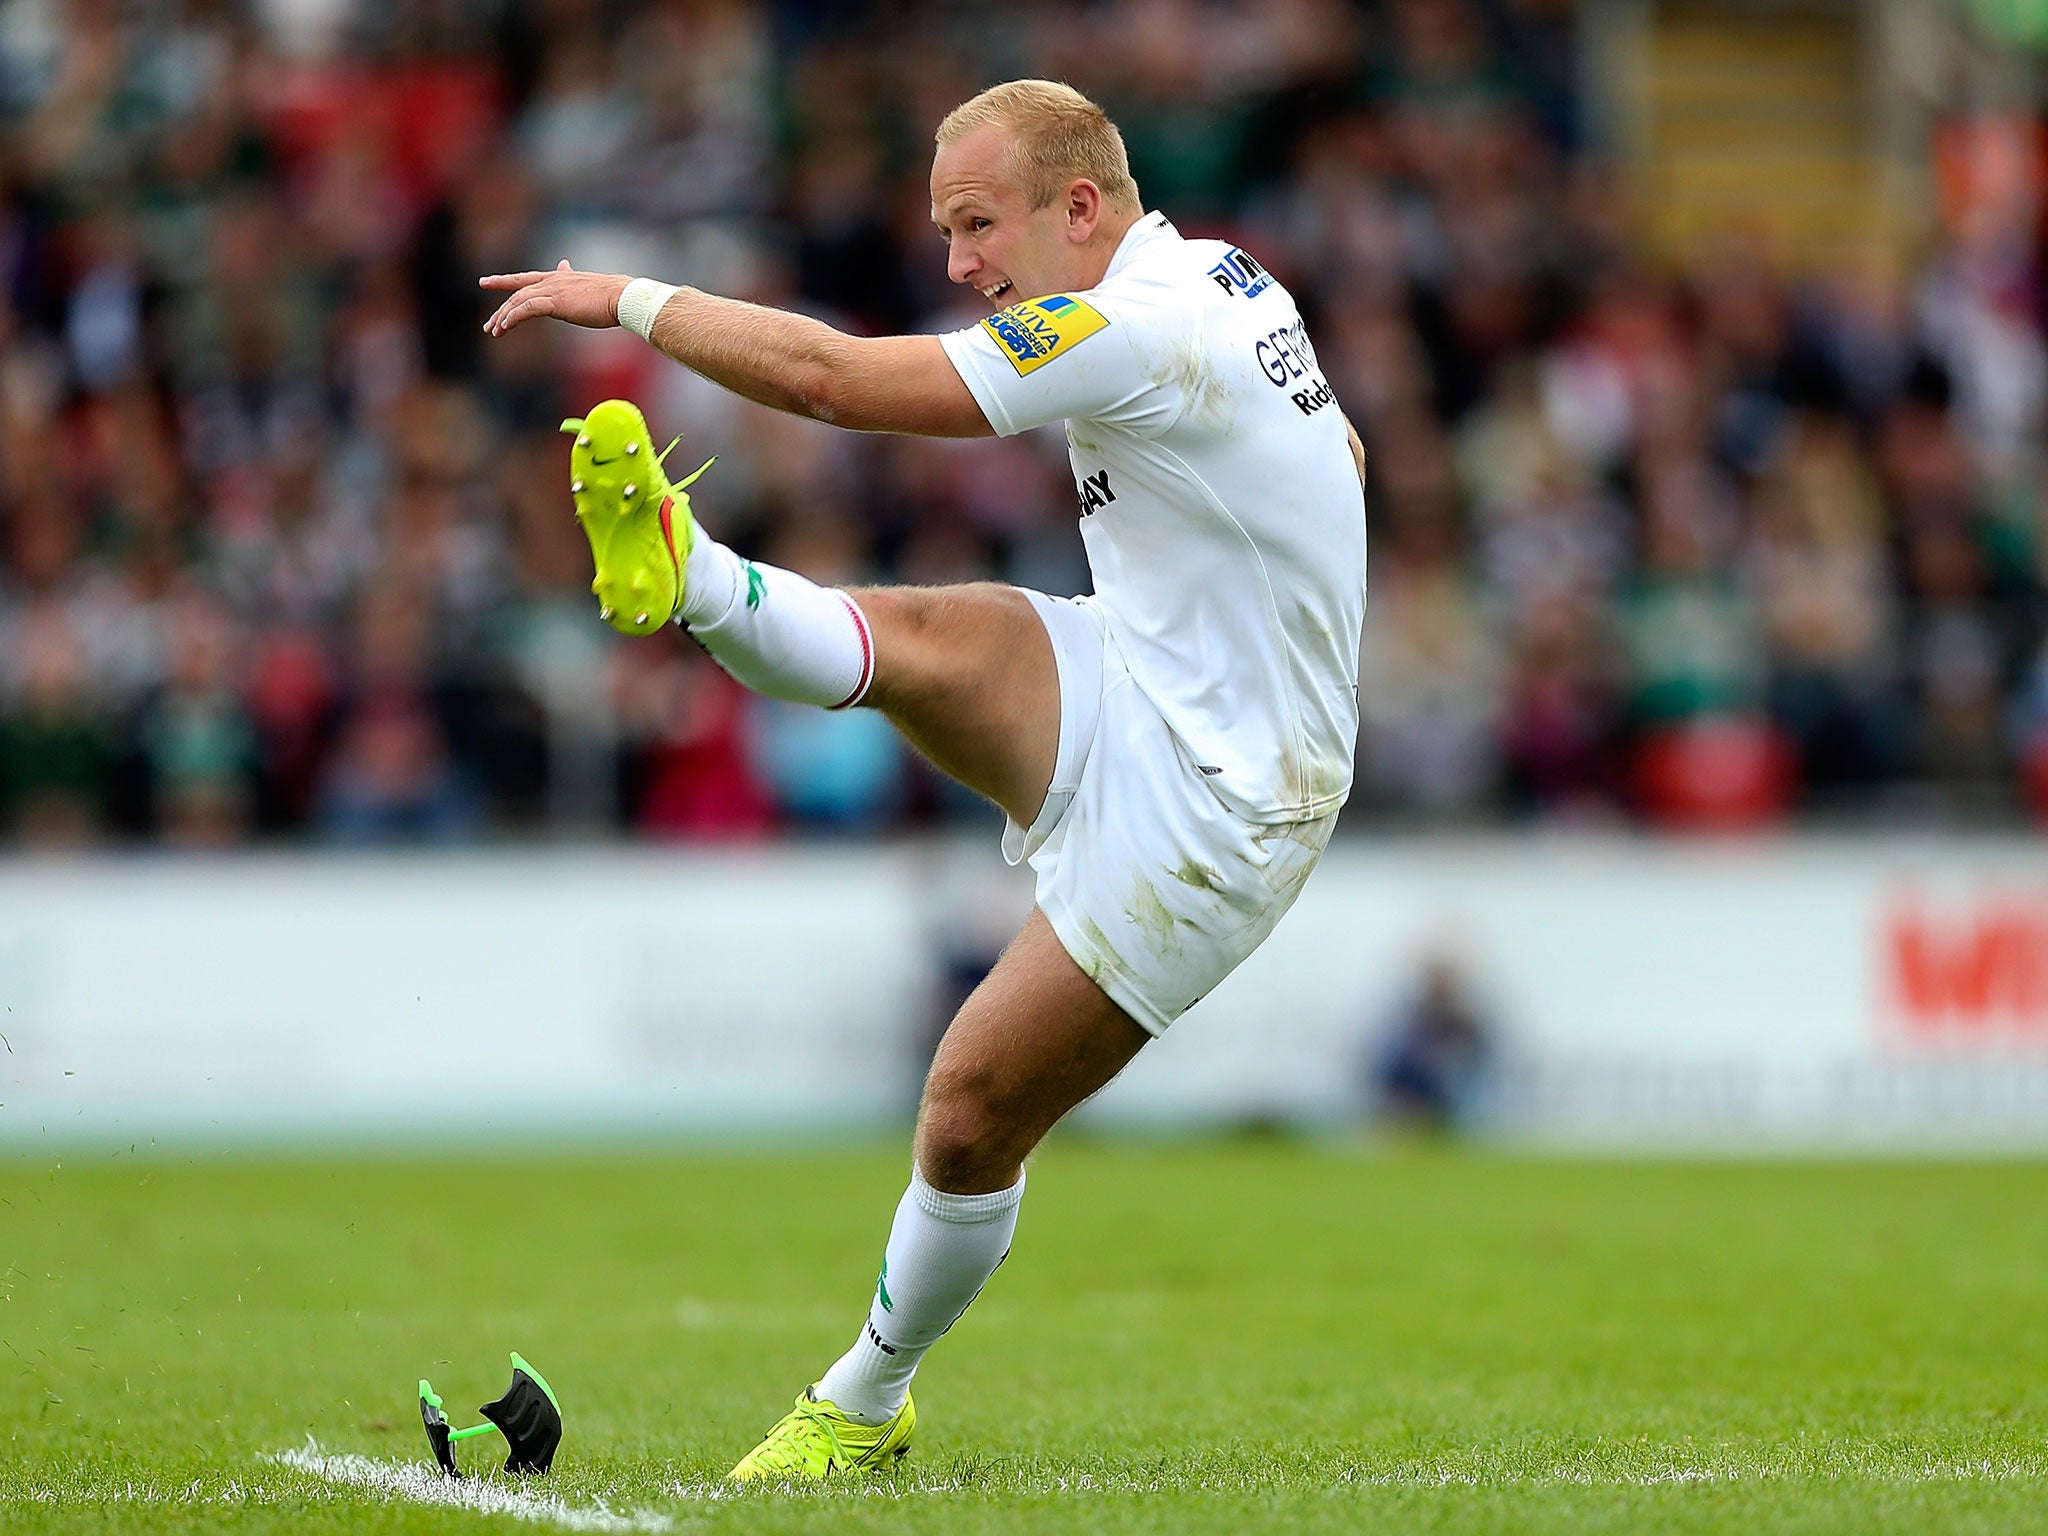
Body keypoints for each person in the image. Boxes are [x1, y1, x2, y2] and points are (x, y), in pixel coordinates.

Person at [481, 79, 1367, 1480]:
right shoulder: (1225, 279)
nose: (958, 263)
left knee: (965, 1117)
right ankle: (685, 563)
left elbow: (841, 383)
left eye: (977, 224)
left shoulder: (1136, 323)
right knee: (922, 635)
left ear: (1081, 208)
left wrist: (632, 301)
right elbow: (1346, 449)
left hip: (1229, 801)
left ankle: (864, 1400)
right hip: (1137, 676)